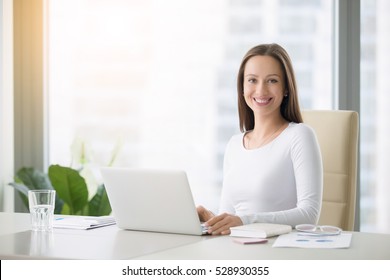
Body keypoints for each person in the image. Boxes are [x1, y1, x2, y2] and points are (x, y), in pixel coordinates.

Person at [197, 43, 323, 235]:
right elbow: (231, 216)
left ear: (286, 88)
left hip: (277, 251)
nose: (261, 90)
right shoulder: (234, 145)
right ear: (242, 87)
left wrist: (245, 221)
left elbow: (309, 214)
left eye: (272, 81)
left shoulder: (299, 136)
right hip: (238, 248)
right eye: (252, 80)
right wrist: (212, 220)